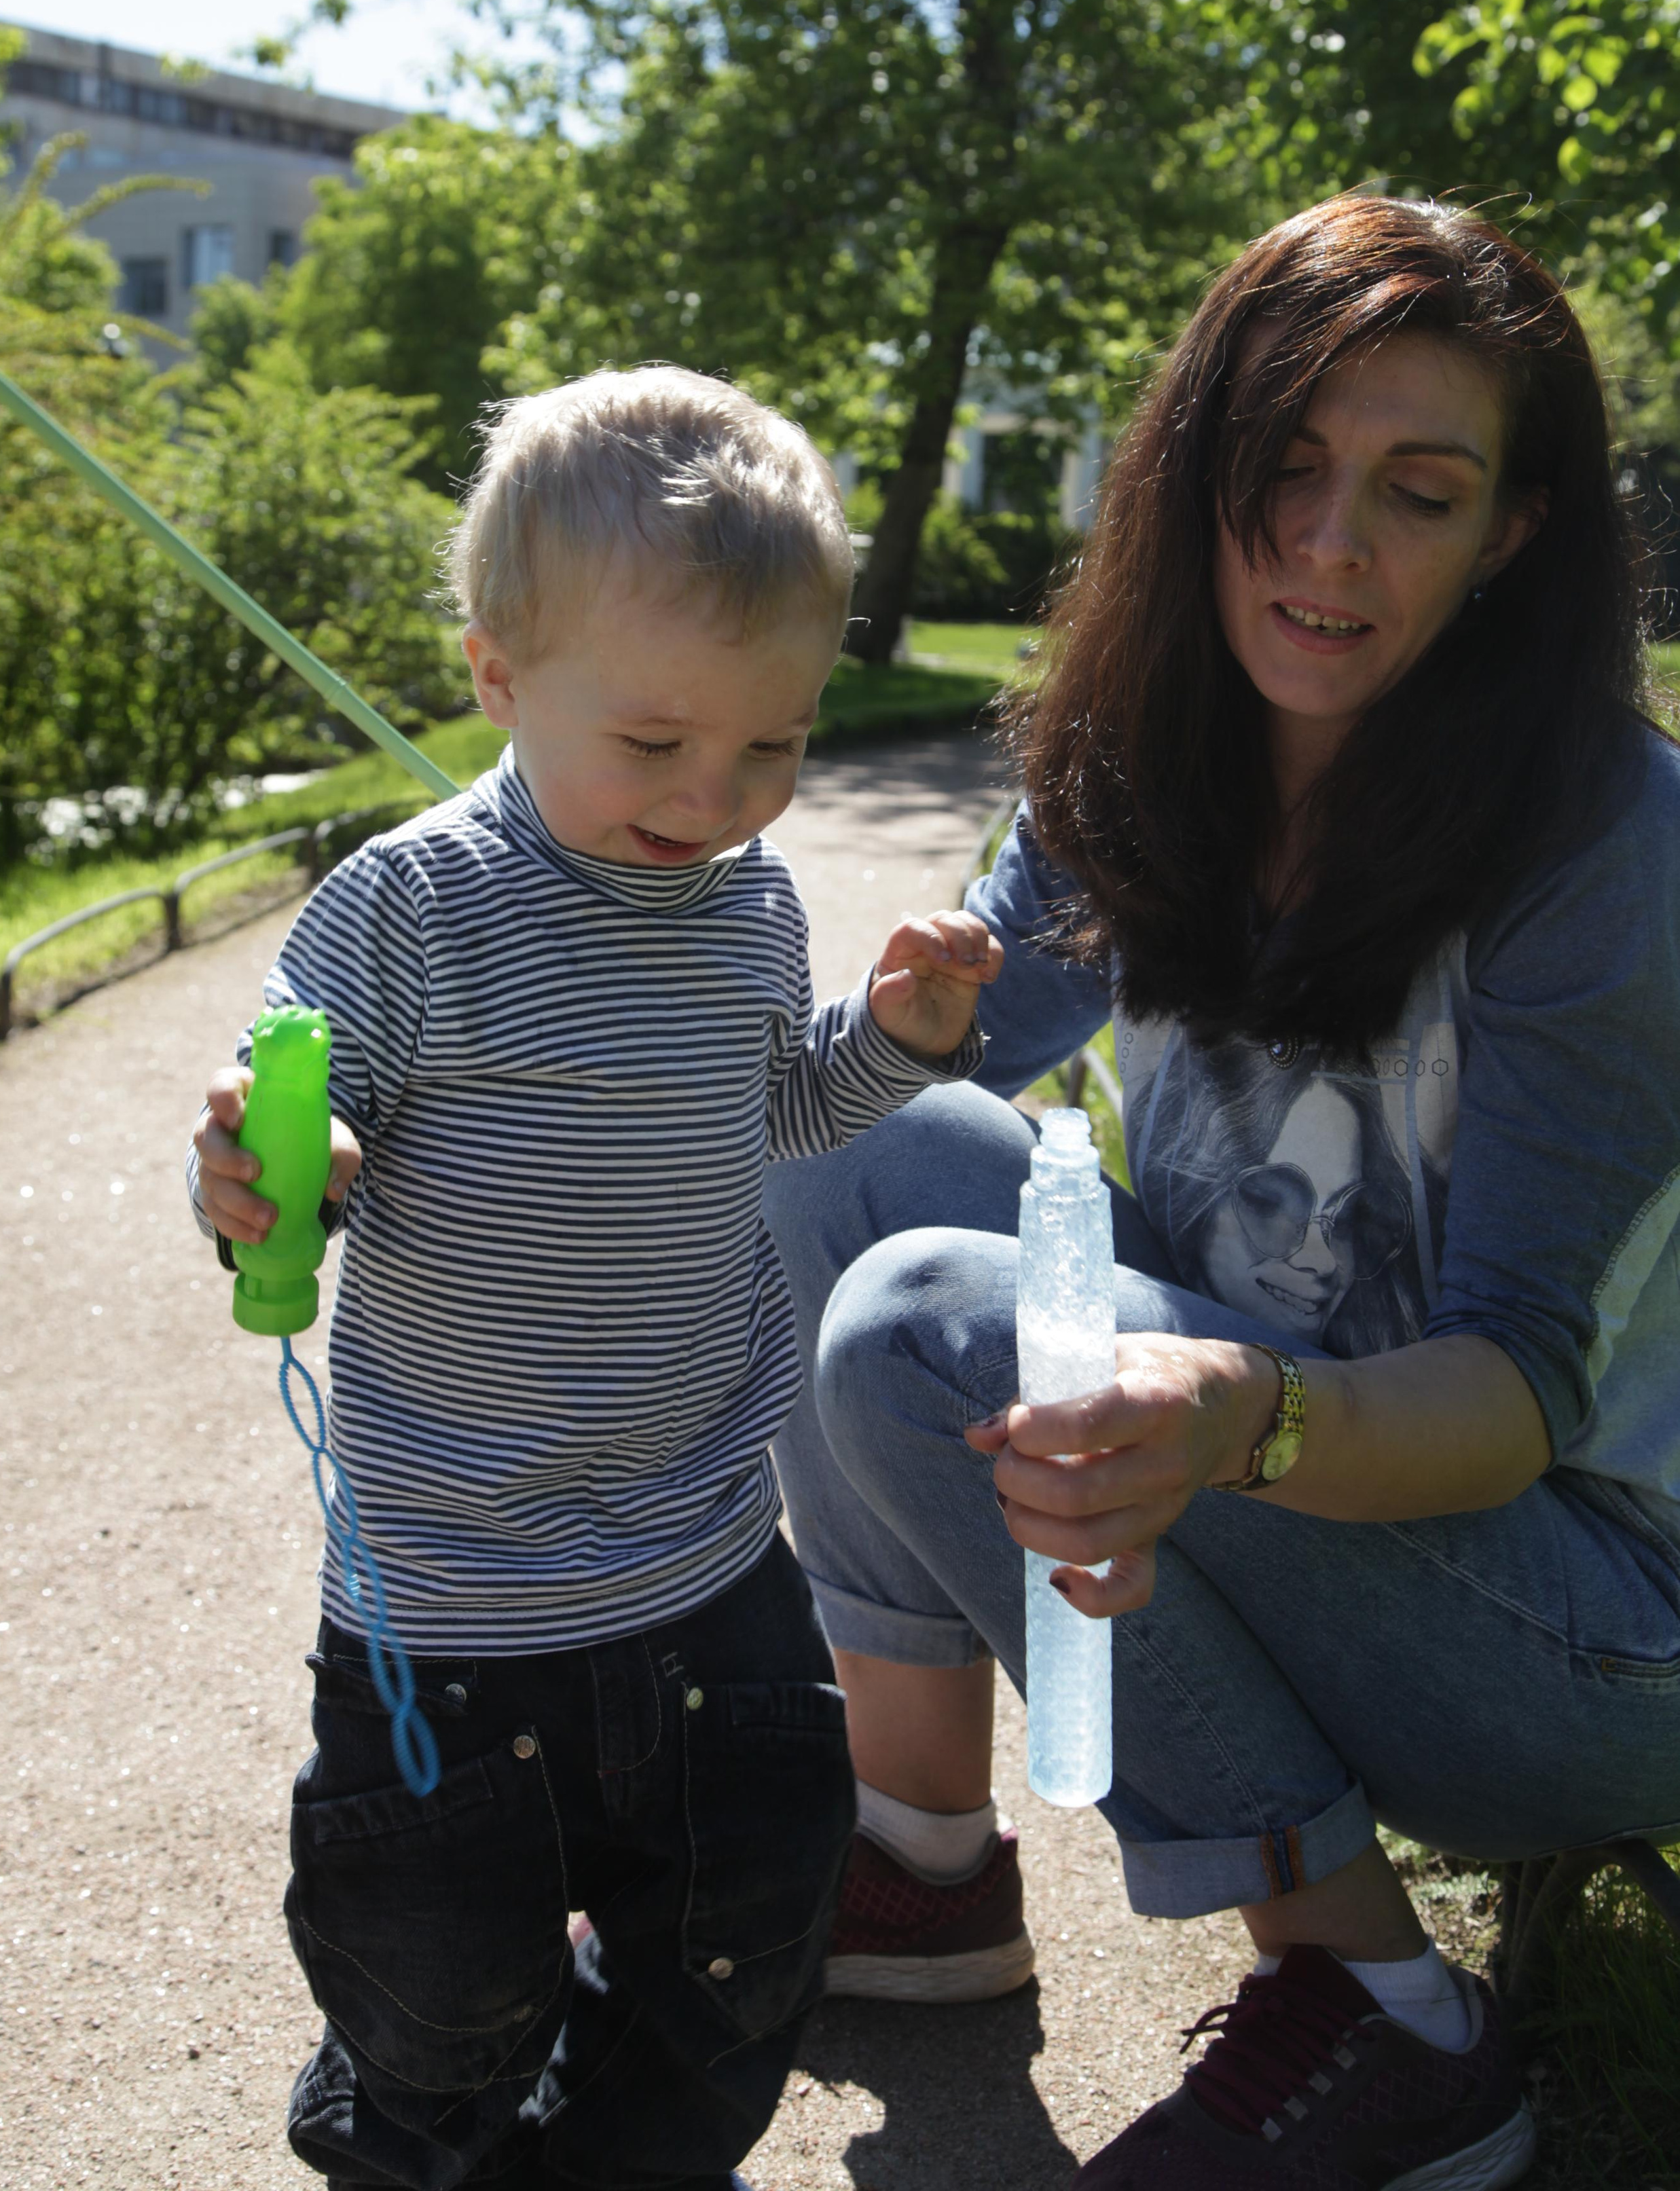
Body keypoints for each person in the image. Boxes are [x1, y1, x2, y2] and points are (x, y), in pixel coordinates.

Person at [765, 196, 1680, 2188]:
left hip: (1589, 1624)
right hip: (1280, 1464)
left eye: (1416, 493)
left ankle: (1388, 2015)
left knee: (932, 1325)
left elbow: (1519, 1391)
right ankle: (918, 1865)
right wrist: (407, 1131)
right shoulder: (1148, 754)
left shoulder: (1600, 835)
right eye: (1286, 469)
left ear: (1510, 533)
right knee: (844, 1167)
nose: (1330, 546)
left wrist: (1239, 1420)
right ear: (1202, 469)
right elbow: (851, 1096)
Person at [186, 367, 1002, 2191]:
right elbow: (275, 1149)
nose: (719, 799)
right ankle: (408, 2124)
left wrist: (890, 1042)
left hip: (713, 1556)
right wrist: (264, 1176)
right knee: (443, 1994)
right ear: (496, 676)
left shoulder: (748, 903)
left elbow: (773, 1105)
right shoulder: (408, 909)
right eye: (656, 746)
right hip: (458, 1610)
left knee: (748, 1934)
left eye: (775, 747)